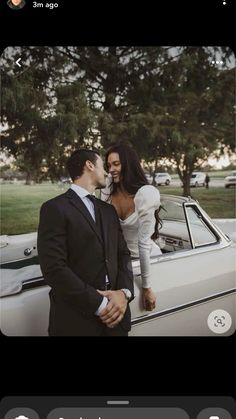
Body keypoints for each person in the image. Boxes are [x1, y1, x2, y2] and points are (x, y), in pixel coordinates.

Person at [37, 149, 134, 336]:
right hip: (76, 322)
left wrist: (124, 293)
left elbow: (123, 255)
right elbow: (53, 268)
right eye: (102, 166)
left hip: (117, 320)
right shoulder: (54, 208)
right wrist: (100, 304)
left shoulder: (108, 211)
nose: (107, 172)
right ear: (89, 165)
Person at [102, 144, 162, 312]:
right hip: (120, 259)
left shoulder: (145, 194)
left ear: (128, 164)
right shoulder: (109, 190)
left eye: (116, 164)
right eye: (109, 165)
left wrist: (146, 287)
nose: (111, 169)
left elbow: (143, 243)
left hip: (146, 258)